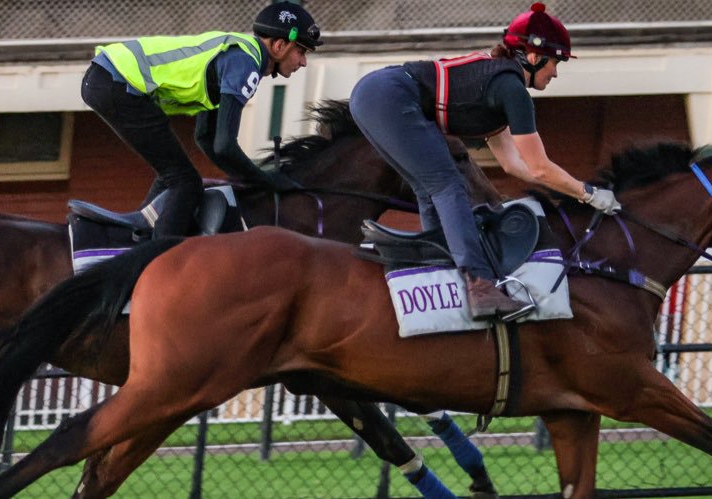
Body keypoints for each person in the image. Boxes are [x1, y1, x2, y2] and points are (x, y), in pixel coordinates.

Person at [349, 2, 621, 319]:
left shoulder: (500, 83)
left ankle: (448, 269)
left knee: (431, 188)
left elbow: (514, 165)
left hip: (375, 94)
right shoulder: (512, 90)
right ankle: (480, 286)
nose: (556, 73)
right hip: (388, 95)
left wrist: (572, 190)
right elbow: (540, 168)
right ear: (534, 57)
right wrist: (588, 194)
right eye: (555, 62)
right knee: (448, 184)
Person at [82, 2, 321, 238]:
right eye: (301, 52)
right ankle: (155, 255)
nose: (303, 62)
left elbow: (206, 139)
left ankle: (138, 237)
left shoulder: (240, 55)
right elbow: (224, 145)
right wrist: (268, 180)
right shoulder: (245, 63)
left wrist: (252, 180)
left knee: (173, 177)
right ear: (279, 46)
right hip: (117, 81)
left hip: (108, 78)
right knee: (185, 182)